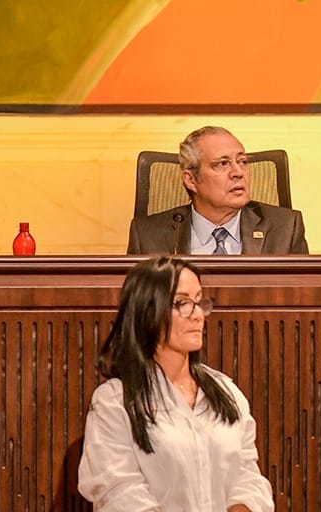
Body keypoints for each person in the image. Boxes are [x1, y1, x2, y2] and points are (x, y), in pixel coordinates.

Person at [78, 256, 274, 511]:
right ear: (148, 311)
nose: (197, 315)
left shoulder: (226, 392)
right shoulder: (115, 401)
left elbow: (247, 477)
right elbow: (119, 492)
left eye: (199, 301)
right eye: (182, 303)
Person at [128, 126, 308, 255]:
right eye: (222, 164)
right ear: (191, 180)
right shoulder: (147, 236)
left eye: (243, 162)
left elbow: (303, 300)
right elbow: (139, 303)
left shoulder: (285, 229)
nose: (238, 173)